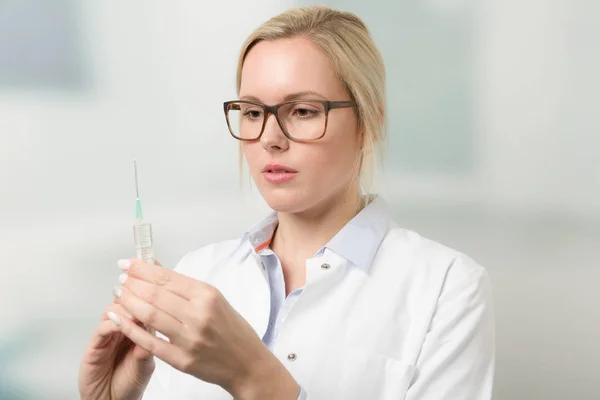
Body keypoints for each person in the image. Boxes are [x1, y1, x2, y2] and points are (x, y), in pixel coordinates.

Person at [78, 5, 495, 400]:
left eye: (303, 111)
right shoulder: (197, 275)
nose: (270, 138)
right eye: (253, 112)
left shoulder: (446, 288)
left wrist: (254, 377)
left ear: (369, 123)